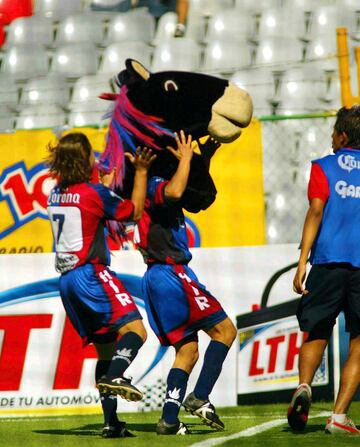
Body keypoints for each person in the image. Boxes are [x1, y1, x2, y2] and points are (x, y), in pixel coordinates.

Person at [46, 132, 156, 438]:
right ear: (83, 160)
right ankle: (117, 377)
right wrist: (143, 172)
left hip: (67, 281)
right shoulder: (92, 193)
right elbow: (131, 213)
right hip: (91, 274)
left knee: (105, 352)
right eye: (90, 155)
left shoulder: (55, 193)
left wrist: (103, 186)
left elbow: (89, 210)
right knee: (136, 331)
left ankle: (110, 423)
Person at [136, 130, 237, 435]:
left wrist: (202, 159)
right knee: (225, 331)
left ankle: (169, 418)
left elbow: (198, 196)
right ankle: (201, 396)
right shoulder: (155, 185)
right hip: (171, 273)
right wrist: (188, 158)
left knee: (188, 350)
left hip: (159, 276)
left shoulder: (151, 186)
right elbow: (178, 192)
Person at [288, 105, 360, 435]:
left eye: (334, 131)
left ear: (342, 135)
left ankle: (304, 386)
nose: (331, 137)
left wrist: (303, 261)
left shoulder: (323, 167)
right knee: (359, 339)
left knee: (316, 331)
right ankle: (339, 416)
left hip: (328, 261)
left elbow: (316, 211)